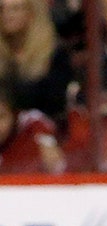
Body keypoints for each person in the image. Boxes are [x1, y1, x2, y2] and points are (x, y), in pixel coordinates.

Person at [0, 0, 74, 129]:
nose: (7, 15)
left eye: (15, 9)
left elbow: (56, 107)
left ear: (32, 13)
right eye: (2, 9)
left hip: (43, 131)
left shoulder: (54, 54)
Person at [0, 80, 64, 173]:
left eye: (1, 117)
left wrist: (47, 141)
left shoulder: (27, 127)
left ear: (13, 116)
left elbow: (34, 117)